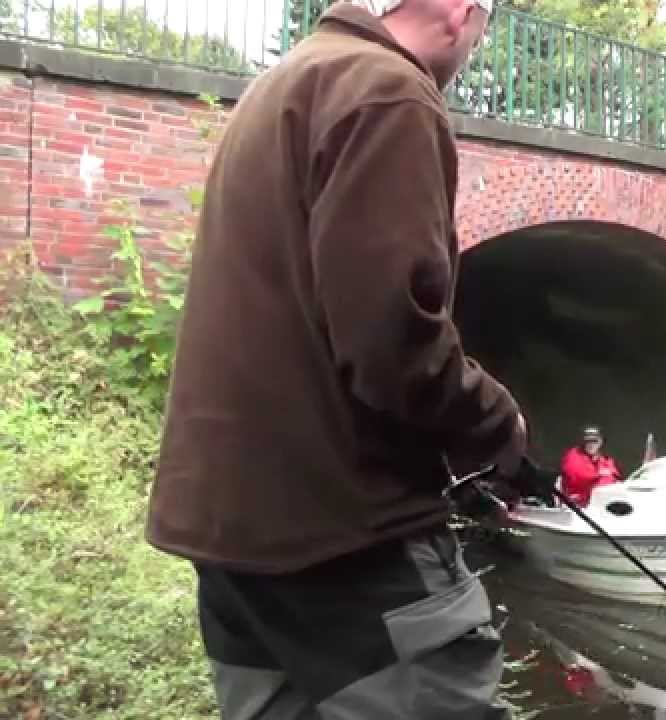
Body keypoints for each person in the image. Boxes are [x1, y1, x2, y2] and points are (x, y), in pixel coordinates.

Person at [143, 1, 539, 717]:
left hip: (236, 544)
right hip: (345, 537)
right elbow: (393, 340)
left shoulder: (286, 82)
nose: (480, 43)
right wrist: (498, 423)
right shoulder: (388, 89)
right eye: (486, 23)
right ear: (457, 11)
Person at [560, 426, 623, 506]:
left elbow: (615, 478)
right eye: (588, 441)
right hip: (577, 505)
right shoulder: (573, 455)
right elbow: (581, 477)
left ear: (600, 442)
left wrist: (603, 477)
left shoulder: (605, 459)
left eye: (594, 441)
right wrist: (600, 475)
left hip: (600, 503)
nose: (591, 444)